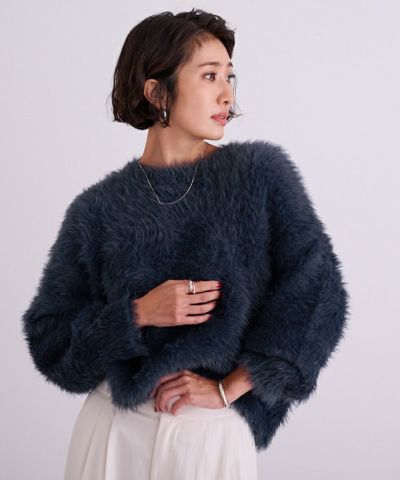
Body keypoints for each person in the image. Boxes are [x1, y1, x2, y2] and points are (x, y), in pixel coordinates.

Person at [21, 8, 349, 480]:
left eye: (230, 76)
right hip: (114, 432)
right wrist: (137, 315)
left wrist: (230, 388)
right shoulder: (97, 209)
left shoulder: (259, 177)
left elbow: (318, 296)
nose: (227, 93)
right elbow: (51, 342)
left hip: (210, 432)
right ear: (157, 92)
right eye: (209, 75)